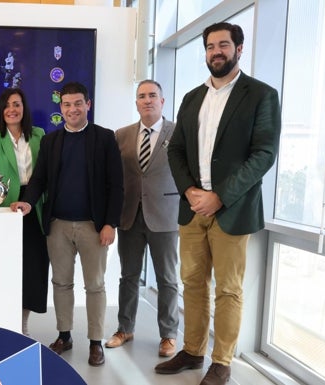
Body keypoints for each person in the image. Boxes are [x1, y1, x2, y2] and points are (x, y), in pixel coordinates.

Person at [155, 22, 281, 385]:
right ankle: (193, 351)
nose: (216, 52)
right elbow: (176, 149)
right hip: (193, 209)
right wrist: (190, 191)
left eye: (223, 45)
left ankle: (222, 360)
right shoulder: (193, 97)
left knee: (228, 288)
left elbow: (264, 153)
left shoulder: (260, 95)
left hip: (232, 208)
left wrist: (220, 196)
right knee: (192, 284)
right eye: (210, 46)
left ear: (239, 49)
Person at [11, 81, 123, 366]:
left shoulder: (105, 138)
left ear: (88, 104)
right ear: (60, 109)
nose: (72, 109)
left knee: (95, 285)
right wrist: (27, 202)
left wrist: (111, 223)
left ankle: (95, 341)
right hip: (58, 225)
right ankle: (65, 335)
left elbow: (116, 185)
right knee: (61, 283)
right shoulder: (51, 141)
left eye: (77, 103)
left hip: (93, 227)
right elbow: (39, 180)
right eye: (66, 104)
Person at [104, 80, 179, 357]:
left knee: (167, 279)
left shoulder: (178, 132)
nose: (147, 100)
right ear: (136, 102)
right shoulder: (121, 135)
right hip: (130, 216)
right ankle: (125, 328)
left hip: (166, 216)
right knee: (128, 276)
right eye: (141, 96)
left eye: (152, 96)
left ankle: (169, 336)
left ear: (162, 101)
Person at [0, 88, 49, 336]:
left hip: (34, 206)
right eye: (7, 104)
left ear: (24, 108)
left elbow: (44, 174)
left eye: (17, 104)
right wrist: (1, 204)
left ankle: (22, 324)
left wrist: (32, 198)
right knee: (5, 267)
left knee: (32, 267)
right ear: (1, 109)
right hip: (5, 208)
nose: (12, 109)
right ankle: (4, 323)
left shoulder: (39, 135)